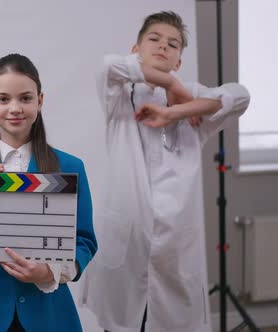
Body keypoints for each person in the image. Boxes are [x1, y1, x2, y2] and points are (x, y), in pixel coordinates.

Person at [81, 11, 250, 332]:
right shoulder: (120, 97)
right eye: (154, 39)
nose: (163, 47)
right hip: (128, 244)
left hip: (175, 250)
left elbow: (241, 96)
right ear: (136, 49)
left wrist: (176, 110)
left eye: (173, 44)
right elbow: (106, 65)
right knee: (122, 323)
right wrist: (170, 82)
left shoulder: (192, 107)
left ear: (180, 61)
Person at [0, 53, 97, 332]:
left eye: (25, 98)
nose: (15, 108)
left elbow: (84, 241)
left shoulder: (70, 167)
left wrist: (49, 272)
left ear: (40, 101)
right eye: (3, 99)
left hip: (47, 314)